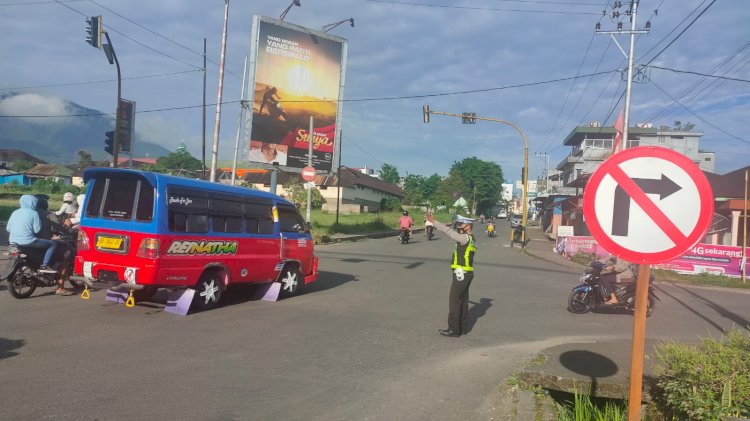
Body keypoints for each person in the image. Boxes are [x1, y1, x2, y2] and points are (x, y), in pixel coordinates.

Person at [427, 214, 478, 338]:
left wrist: (435, 222)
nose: (458, 226)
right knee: (463, 300)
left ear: (468, 226)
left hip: (461, 274)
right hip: (467, 273)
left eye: (461, 224)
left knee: (454, 301)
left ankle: (454, 329)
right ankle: (463, 328)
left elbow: (449, 232)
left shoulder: (464, 238)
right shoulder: (472, 238)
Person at [6, 195, 57, 273]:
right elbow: (37, 230)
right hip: (28, 242)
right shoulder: (34, 213)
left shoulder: (15, 212)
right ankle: (45, 265)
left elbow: (8, 228)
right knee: (52, 244)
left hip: (13, 242)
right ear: (33, 203)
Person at [34, 194, 73, 295]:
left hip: (31, 241)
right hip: (45, 241)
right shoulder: (50, 214)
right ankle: (60, 288)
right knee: (65, 257)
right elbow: (56, 228)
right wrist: (66, 230)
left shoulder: (32, 213)